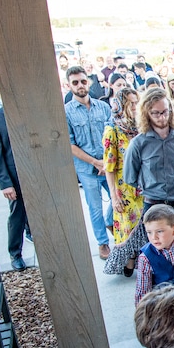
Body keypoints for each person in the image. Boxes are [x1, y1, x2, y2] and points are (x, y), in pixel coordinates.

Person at [123, 87, 174, 239]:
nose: (161, 117)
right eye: (155, 113)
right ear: (146, 114)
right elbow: (130, 177)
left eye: (165, 112)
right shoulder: (138, 143)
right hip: (154, 205)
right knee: (156, 255)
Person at [65, 66, 114, 260]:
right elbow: (70, 145)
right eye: (75, 82)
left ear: (89, 82)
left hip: (109, 166)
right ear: (69, 85)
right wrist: (95, 162)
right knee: (95, 208)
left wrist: (106, 163)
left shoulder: (103, 107)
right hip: (87, 169)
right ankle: (103, 243)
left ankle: (116, 228)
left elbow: (113, 136)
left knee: (119, 199)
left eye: (83, 81)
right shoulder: (67, 112)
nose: (80, 85)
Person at [0, 108, 32, 271]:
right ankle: (15, 253)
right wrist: (5, 184)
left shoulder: (28, 112)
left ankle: (31, 232)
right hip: (14, 177)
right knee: (17, 215)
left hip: (34, 174)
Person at [102, 87, 143, 251]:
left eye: (136, 103)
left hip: (143, 187)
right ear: (120, 106)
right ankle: (127, 263)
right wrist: (113, 196)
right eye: (130, 104)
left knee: (145, 228)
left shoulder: (141, 128)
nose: (134, 107)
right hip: (123, 189)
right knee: (127, 231)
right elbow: (109, 167)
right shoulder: (113, 130)